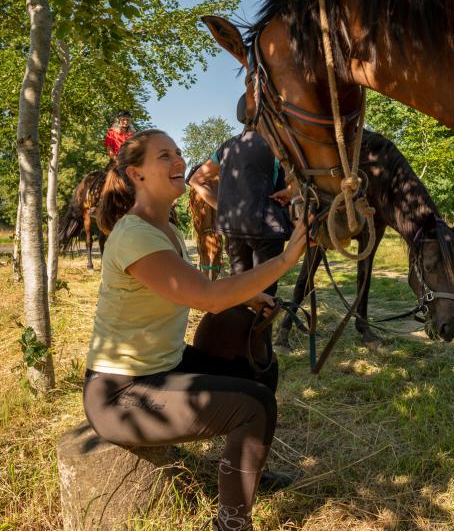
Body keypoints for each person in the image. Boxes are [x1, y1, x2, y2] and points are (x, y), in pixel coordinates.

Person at [83, 129, 309, 531]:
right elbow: (207, 297)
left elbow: (189, 284)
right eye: (164, 156)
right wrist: (286, 258)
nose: (179, 162)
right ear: (136, 175)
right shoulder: (135, 235)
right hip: (121, 392)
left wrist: (250, 296)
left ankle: (247, 469)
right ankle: (232, 523)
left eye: (178, 153)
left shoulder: (165, 227)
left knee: (257, 366)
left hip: (165, 366)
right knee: (254, 406)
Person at [189, 97, 293, 296]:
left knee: (238, 292)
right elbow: (298, 181)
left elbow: (196, 179)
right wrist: (289, 192)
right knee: (264, 294)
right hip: (267, 228)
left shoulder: (227, 146)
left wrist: (222, 206)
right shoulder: (278, 145)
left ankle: (238, 325)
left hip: (234, 228)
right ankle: (259, 326)